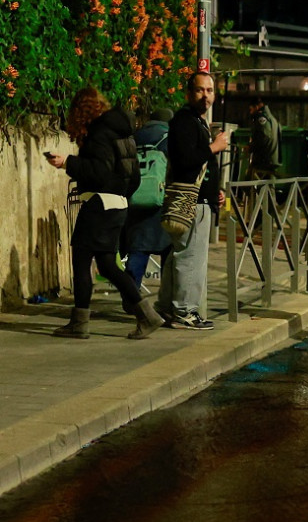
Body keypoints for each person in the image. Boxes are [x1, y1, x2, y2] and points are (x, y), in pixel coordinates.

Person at [44, 88, 165, 340]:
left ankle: (80, 323)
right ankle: (147, 315)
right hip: (118, 204)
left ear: (82, 110)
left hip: (98, 204)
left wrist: (67, 162)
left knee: (81, 260)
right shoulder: (123, 134)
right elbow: (133, 177)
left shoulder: (99, 133)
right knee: (108, 265)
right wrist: (120, 195)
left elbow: (98, 171)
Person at [157, 72, 229, 331]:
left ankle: (166, 306)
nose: (206, 96)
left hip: (199, 199)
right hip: (192, 202)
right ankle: (186, 312)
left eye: (210, 90)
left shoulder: (196, 122)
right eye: (201, 90)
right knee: (191, 258)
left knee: (179, 255)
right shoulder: (184, 122)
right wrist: (215, 147)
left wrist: (215, 191)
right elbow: (187, 160)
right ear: (189, 93)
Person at [123, 108, 173, 291]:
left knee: (138, 248)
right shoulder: (170, 137)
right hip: (162, 201)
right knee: (169, 251)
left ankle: (131, 294)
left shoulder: (136, 136)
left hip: (136, 199)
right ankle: (167, 296)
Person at [246, 97, 282, 180]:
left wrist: (251, 147)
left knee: (248, 183)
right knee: (268, 187)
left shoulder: (261, 118)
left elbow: (264, 137)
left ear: (256, 107)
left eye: (251, 109)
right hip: (273, 159)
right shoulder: (273, 119)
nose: (251, 113)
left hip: (263, 161)